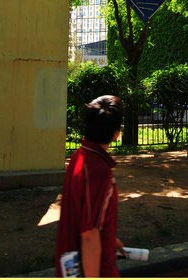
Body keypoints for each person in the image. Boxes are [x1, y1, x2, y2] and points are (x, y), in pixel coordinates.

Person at [56, 96, 126, 277]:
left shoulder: (79, 157)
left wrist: (109, 239)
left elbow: (85, 214)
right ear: (116, 133)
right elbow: (89, 236)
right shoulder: (99, 171)